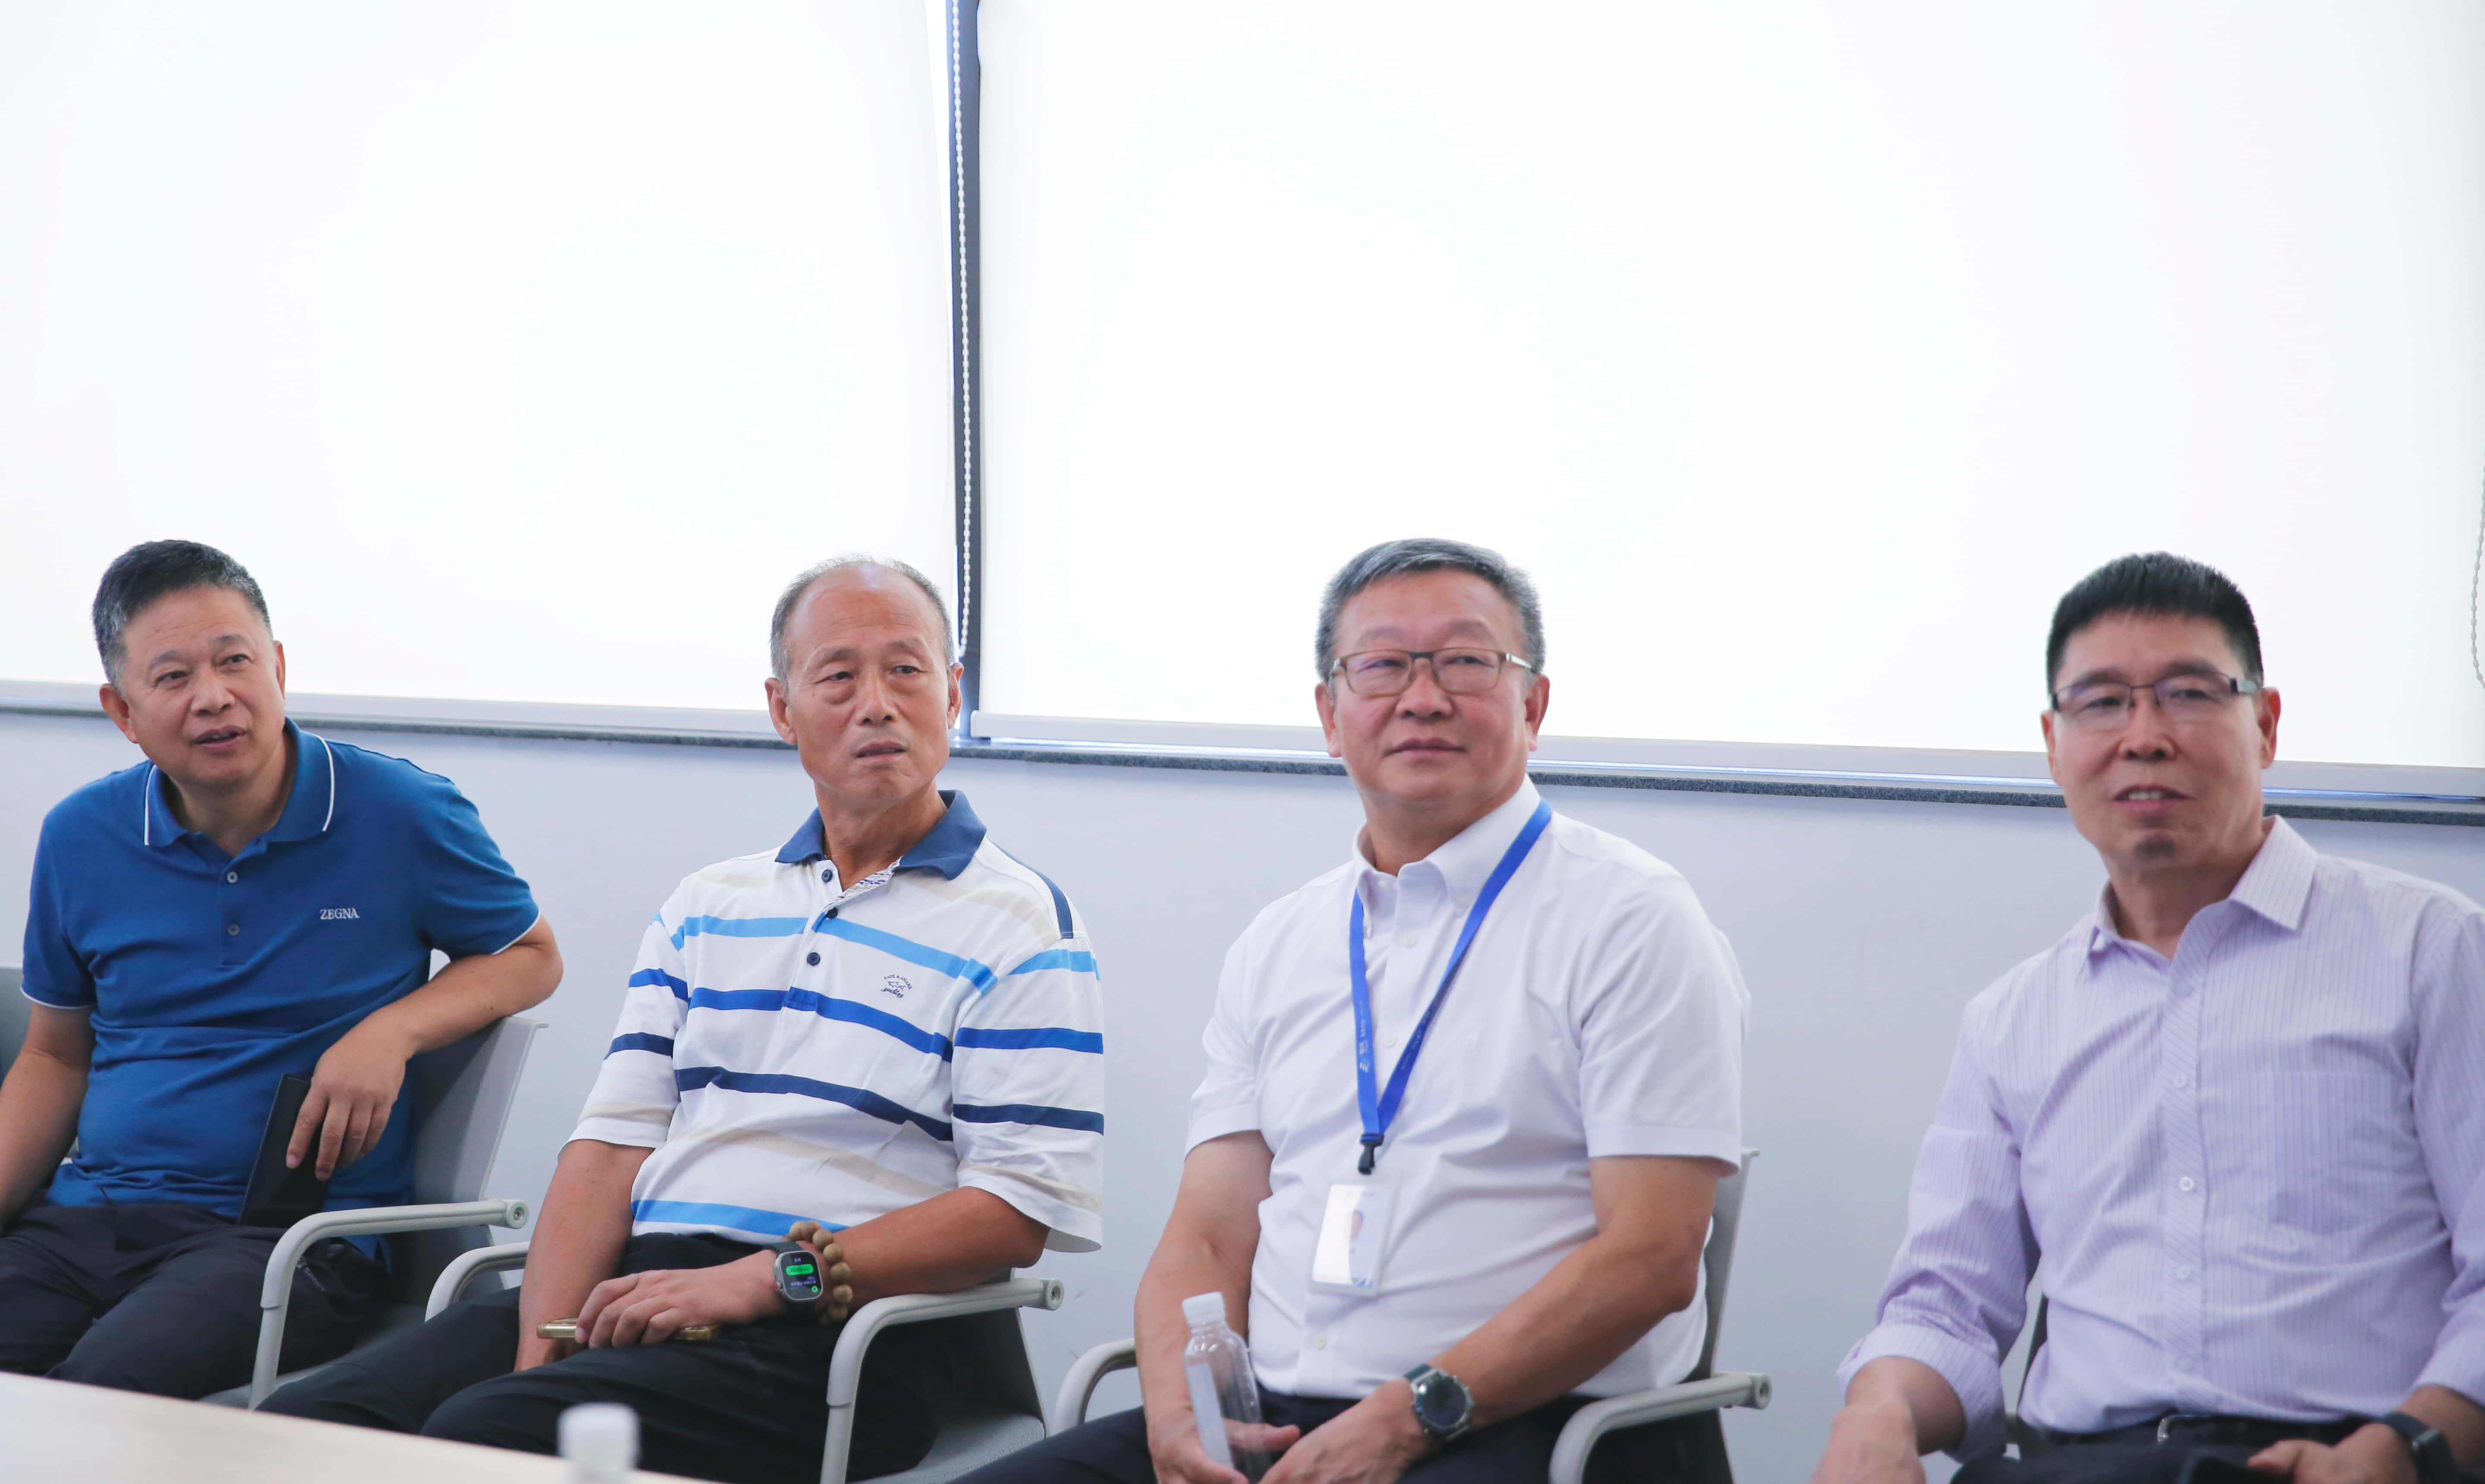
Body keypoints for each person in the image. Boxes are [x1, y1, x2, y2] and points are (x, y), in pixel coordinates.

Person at [265, 556, 1107, 1484]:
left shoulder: (1022, 925)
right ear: (783, 709)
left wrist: (757, 1282)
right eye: (838, 676)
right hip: (647, 1284)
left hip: (842, 1330)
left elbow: (1013, 1215)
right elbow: (609, 1149)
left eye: (906, 670)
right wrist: (543, 1347)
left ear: (950, 694)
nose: (877, 704)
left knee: (488, 1432)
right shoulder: (710, 905)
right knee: (302, 1428)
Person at [968, 537, 1748, 1484]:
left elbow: (1651, 1257)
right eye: (1381, 666)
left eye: (1466, 661)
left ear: (1534, 706)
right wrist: (1180, 1413)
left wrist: (1403, 1420)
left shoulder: (1632, 918)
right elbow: (1206, 1238)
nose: (1423, 697)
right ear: (1330, 716)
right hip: (1275, 1419)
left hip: (1520, 1423)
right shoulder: (1283, 940)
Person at [1811, 553, 2485, 1484]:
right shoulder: (2015, 1019)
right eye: (2101, 703)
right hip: (2078, 1467)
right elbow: (1946, 1308)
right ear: (2053, 744)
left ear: (2267, 724)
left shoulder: (2431, 952)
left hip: (2342, 1457)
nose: (2144, 737)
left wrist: (2410, 1446)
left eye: (2189, 694)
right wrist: (1878, 1409)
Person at [4, 539, 561, 1398]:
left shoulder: (399, 812)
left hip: (284, 1239)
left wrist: (392, 1031)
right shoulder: (82, 836)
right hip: (89, 1219)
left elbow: (531, 955)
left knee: (101, 1396)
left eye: (235, 661)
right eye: (174, 677)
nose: (214, 697)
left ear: (279, 669)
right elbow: (54, 1055)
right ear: (123, 711)